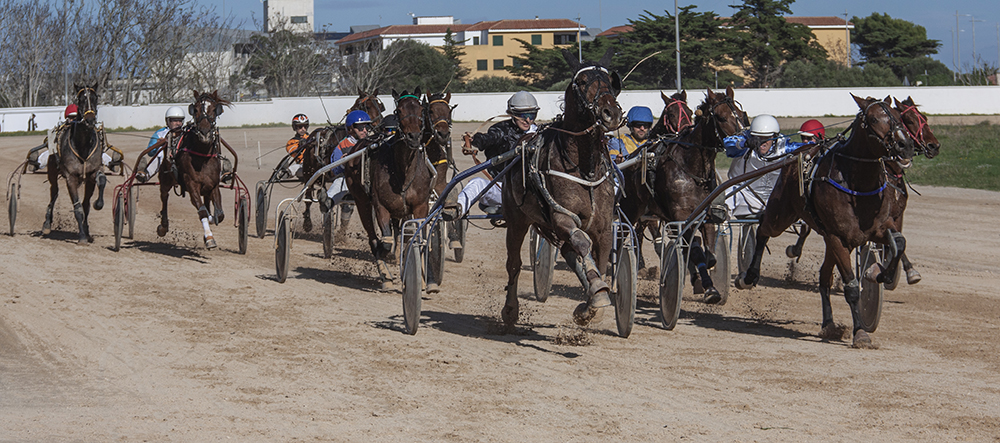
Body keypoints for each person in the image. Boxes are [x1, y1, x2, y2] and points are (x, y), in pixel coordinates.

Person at [442, 91, 539, 221]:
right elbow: (488, 139)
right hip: (504, 191)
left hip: (534, 194)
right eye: (523, 115)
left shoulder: (541, 133)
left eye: (532, 115)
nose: (528, 120)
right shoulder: (501, 130)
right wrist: (474, 139)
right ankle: (456, 209)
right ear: (513, 114)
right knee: (476, 183)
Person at [723, 114, 809, 219]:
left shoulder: (783, 148)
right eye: (758, 137)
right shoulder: (745, 146)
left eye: (767, 138)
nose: (762, 141)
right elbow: (728, 143)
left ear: (774, 137)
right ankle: (722, 227)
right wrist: (745, 143)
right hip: (746, 196)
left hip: (775, 199)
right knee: (727, 193)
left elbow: (804, 147)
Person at [136, 106, 186, 182]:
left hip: (181, 160)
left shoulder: (186, 133)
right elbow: (150, 153)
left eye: (180, 120)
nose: (178, 123)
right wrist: (157, 144)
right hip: (164, 162)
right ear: (168, 121)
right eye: (174, 120)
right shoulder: (159, 134)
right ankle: (146, 174)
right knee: (161, 153)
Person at [284, 113, 310, 178]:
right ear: (295, 127)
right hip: (302, 165)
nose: (303, 129)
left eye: (305, 126)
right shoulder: (291, 142)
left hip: (315, 162)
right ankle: (287, 172)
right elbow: (293, 151)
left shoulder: (312, 138)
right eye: (300, 127)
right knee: (296, 168)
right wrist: (300, 146)